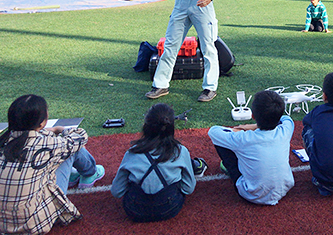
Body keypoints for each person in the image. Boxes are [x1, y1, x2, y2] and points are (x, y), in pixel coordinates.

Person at [0, 95, 104, 235]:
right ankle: (90, 173)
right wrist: (60, 130)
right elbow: (80, 136)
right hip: (34, 224)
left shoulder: (4, 141)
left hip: (3, 224)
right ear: (42, 123)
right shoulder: (47, 144)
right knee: (70, 150)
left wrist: (49, 131)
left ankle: (75, 176)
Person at [111, 103, 202, 222]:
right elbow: (188, 188)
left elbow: (117, 191)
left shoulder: (132, 153)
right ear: (171, 127)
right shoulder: (180, 151)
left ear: (146, 126)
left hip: (135, 210)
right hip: (170, 208)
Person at [208, 90, 294, 205]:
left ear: (253, 116)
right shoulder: (285, 130)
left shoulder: (243, 138)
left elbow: (213, 132)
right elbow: (286, 119)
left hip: (251, 194)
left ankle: (231, 168)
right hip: (285, 188)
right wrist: (254, 126)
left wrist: (241, 128)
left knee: (222, 142)